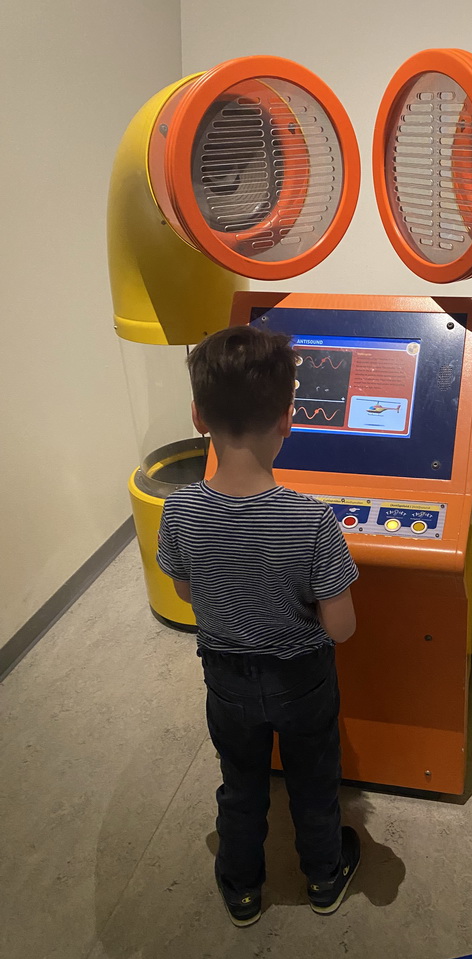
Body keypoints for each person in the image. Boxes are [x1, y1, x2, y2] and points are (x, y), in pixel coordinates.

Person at [156, 325, 360, 927]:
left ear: (198, 415)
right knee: (314, 781)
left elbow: (189, 590)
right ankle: (325, 877)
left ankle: (242, 888)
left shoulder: (180, 510)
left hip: (227, 682)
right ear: (287, 419)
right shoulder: (313, 520)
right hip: (303, 682)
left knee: (241, 785)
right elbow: (341, 628)